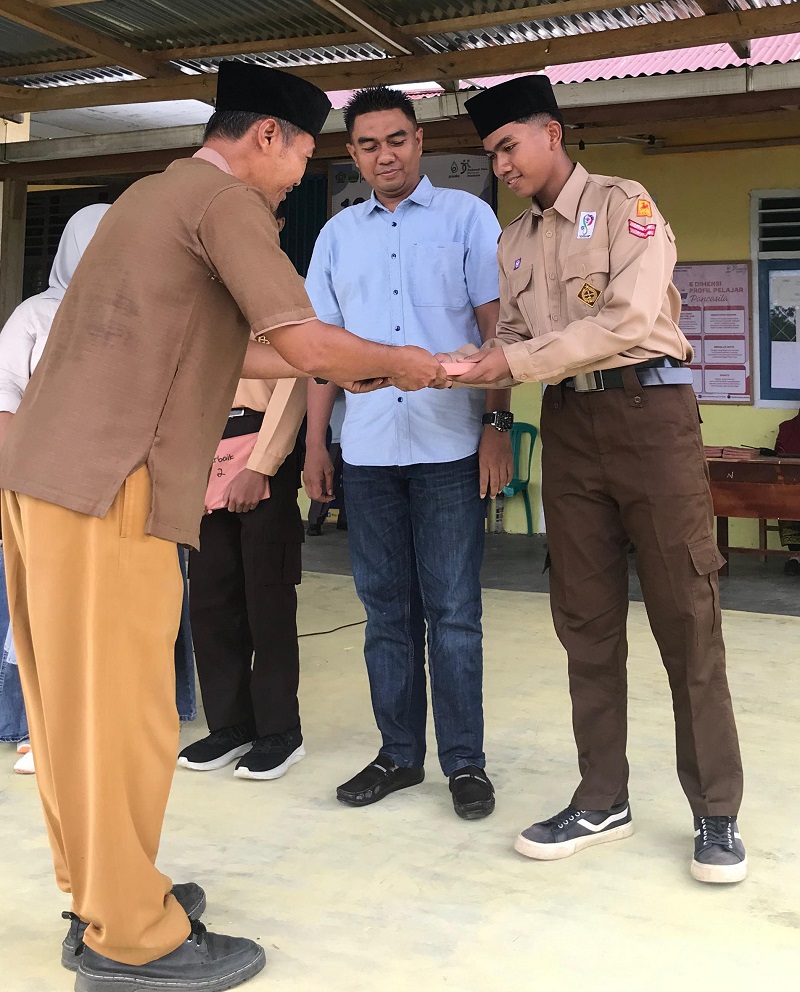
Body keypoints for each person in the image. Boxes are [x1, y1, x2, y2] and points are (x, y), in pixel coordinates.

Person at [0, 62, 445, 992]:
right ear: (267, 137)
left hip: (47, 478)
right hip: (112, 483)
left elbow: (228, 346)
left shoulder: (151, 195)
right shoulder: (226, 199)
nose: (297, 182)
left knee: (72, 710)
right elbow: (301, 339)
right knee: (125, 714)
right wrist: (415, 363)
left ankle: (100, 896)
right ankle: (131, 939)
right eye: (303, 160)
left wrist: (352, 367)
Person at [452, 75, 745, 882]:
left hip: (650, 417)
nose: (501, 165)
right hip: (570, 425)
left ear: (550, 133)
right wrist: (475, 367)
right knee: (584, 619)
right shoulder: (513, 242)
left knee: (687, 615)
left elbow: (629, 319)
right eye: (490, 155)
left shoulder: (624, 204)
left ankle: (716, 810)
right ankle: (602, 797)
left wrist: (511, 361)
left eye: (508, 147)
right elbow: (513, 336)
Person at [304, 86, 513, 820]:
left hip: (449, 445)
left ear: (419, 142)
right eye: (369, 144)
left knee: (454, 612)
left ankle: (465, 763)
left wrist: (497, 425)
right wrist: (315, 444)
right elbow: (320, 352)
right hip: (365, 451)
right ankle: (398, 754)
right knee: (385, 612)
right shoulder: (336, 236)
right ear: (353, 154)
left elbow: (497, 332)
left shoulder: (468, 218)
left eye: (396, 139)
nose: (384, 155)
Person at [0, 205, 197, 777]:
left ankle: (117, 725)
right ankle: (43, 732)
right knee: (52, 609)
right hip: (48, 489)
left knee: (124, 611)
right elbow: (5, 400)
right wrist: (15, 479)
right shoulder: (36, 316)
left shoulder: (150, 317)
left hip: (128, 488)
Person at [180, 203, 309, 781]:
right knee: (212, 601)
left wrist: (261, 466)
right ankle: (229, 725)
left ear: (277, 226)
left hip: (263, 455)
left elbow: (296, 381)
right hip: (206, 457)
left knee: (267, 598)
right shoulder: (203, 298)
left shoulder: (290, 291)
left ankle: (280, 731)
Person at [775, 409, 800, 574]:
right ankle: (795, 556)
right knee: (786, 500)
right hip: (792, 484)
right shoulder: (787, 428)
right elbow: (777, 460)